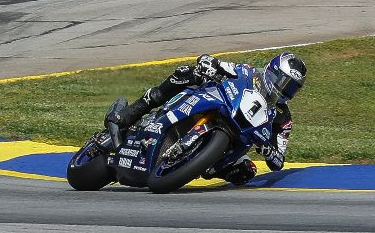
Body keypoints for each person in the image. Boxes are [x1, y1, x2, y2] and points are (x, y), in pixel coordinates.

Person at [106, 53, 306, 186]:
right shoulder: (247, 71)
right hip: (219, 105)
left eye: (291, 87)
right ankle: (132, 112)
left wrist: (269, 150)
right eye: (284, 82)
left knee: (246, 171)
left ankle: (199, 164)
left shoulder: (283, 118)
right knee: (186, 74)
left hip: (237, 140)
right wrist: (210, 64)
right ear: (272, 71)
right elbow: (218, 63)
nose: (284, 89)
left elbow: (278, 160)